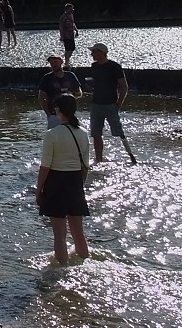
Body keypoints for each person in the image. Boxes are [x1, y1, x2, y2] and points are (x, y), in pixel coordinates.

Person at [35, 94, 91, 266]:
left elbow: (45, 167)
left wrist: (39, 190)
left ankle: (62, 271)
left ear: (58, 110)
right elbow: (85, 166)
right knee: (78, 232)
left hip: (56, 183)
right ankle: (84, 263)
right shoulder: (83, 133)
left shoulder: (52, 134)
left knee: (59, 234)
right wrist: (80, 186)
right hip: (75, 181)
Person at [88, 42, 138, 165]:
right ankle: (98, 159)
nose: (92, 54)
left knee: (119, 131)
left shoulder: (114, 66)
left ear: (102, 52)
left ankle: (130, 155)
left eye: (94, 51)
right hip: (96, 103)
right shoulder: (94, 66)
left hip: (110, 104)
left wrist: (118, 103)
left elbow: (124, 86)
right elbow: (95, 83)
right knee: (95, 133)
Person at [38, 54, 83, 128]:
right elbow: (41, 96)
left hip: (70, 114)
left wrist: (71, 95)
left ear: (61, 62)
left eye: (55, 62)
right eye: (51, 63)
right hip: (54, 114)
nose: (53, 64)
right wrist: (48, 113)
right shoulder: (47, 78)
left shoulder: (70, 75)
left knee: (71, 135)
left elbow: (79, 93)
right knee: (54, 137)